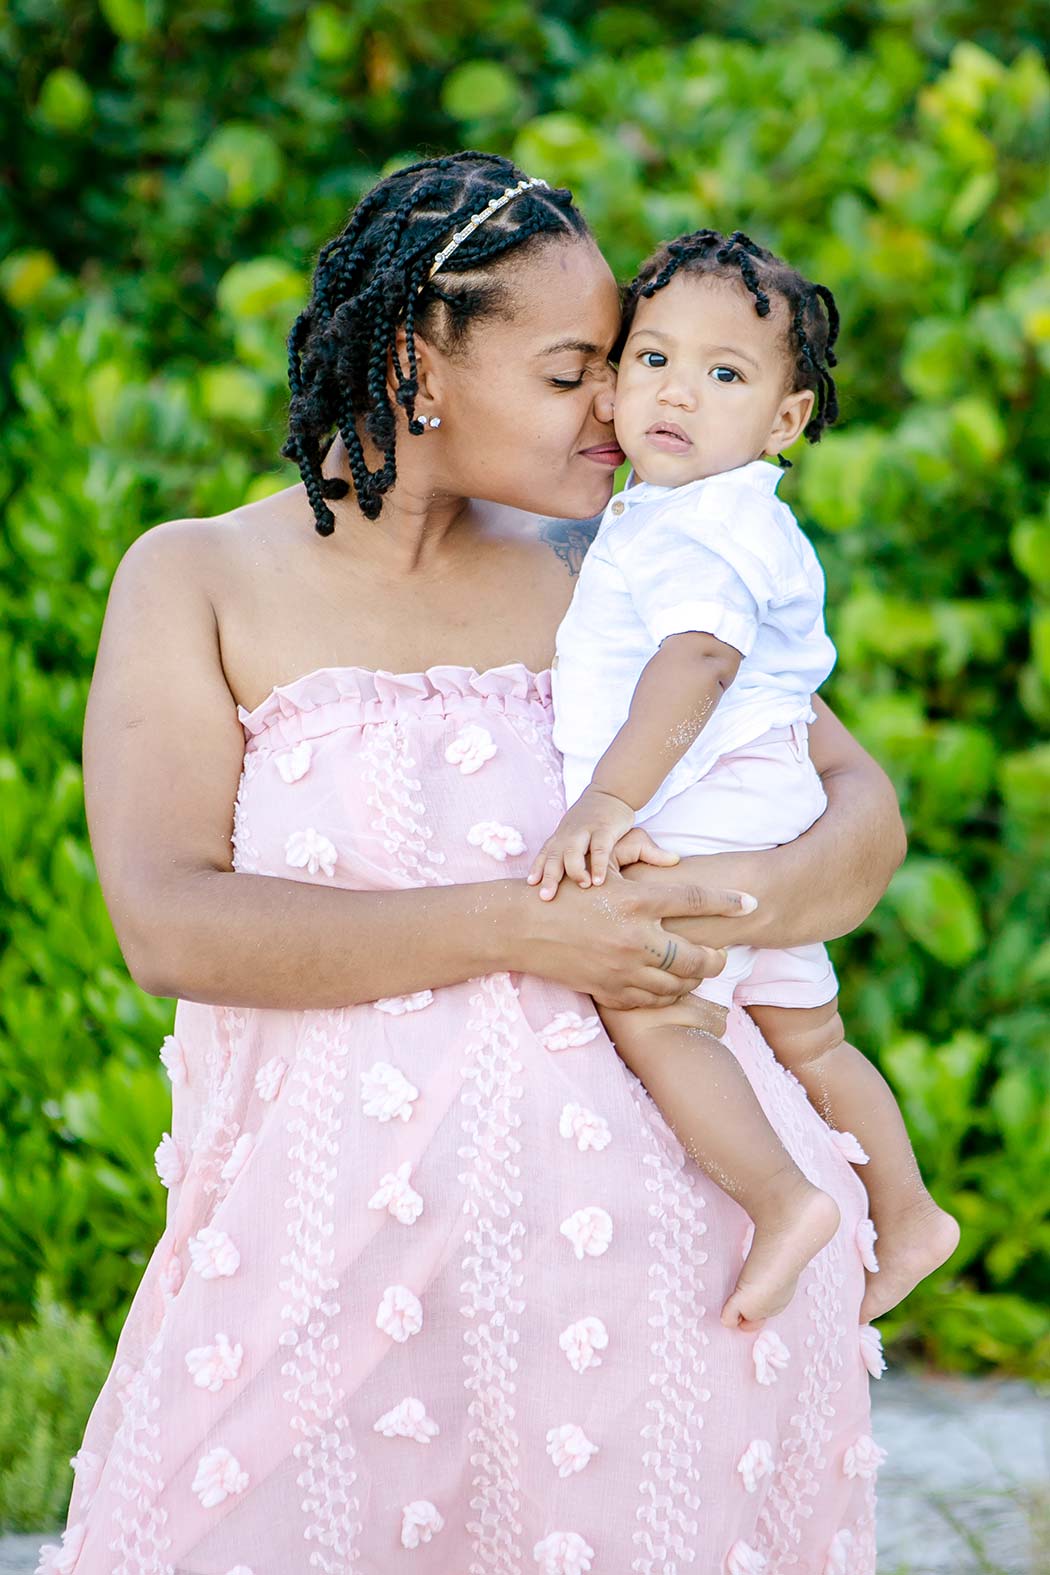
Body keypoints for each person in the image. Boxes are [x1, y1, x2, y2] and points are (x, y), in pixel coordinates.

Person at [39, 152, 906, 1575]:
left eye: (623, 364)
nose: (625, 408)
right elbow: (169, 920)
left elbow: (858, 811)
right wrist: (530, 927)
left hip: (672, 1291)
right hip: (316, 1274)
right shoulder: (195, 576)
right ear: (418, 362)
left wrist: (703, 911)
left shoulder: (614, 569)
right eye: (579, 370)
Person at [529, 228, 960, 1334]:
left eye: (725, 375)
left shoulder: (696, 527)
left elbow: (700, 661)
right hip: (763, 804)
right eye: (654, 359)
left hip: (703, 814)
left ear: (785, 421)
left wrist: (609, 801)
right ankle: (909, 1215)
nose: (678, 392)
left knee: (657, 1012)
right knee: (811, 1036)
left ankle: (781, 1201)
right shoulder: (728, 515)